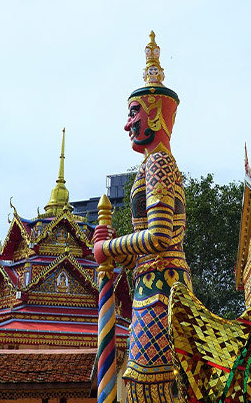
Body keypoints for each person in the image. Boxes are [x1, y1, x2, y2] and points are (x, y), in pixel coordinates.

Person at [93, 32, 191, 403]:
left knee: (149, 387)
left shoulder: (160, 163)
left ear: (154, 112)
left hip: (160, 292)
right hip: (153, 287)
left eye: (134, 112)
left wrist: (108, 248)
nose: (128, 123)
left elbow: (160, 236)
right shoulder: (152, 165)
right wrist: (117, 255)